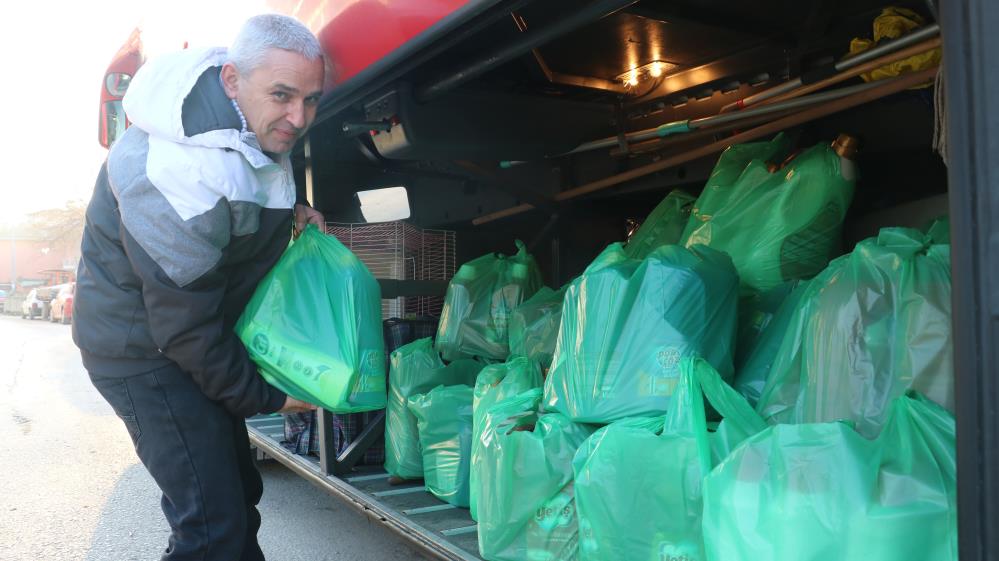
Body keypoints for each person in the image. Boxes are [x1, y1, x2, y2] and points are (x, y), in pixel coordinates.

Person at [73, 14, 326, 560]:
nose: (298, 117)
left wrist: (292, 216)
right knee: (211, 525)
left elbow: (239, 203)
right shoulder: (170, 169)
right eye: (283, 95)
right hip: (142, 353)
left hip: (182, 340)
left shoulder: (246, 122)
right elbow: (183, 326)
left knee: (239, 496)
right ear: (232, 80)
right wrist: (269, 397)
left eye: (310, 99)